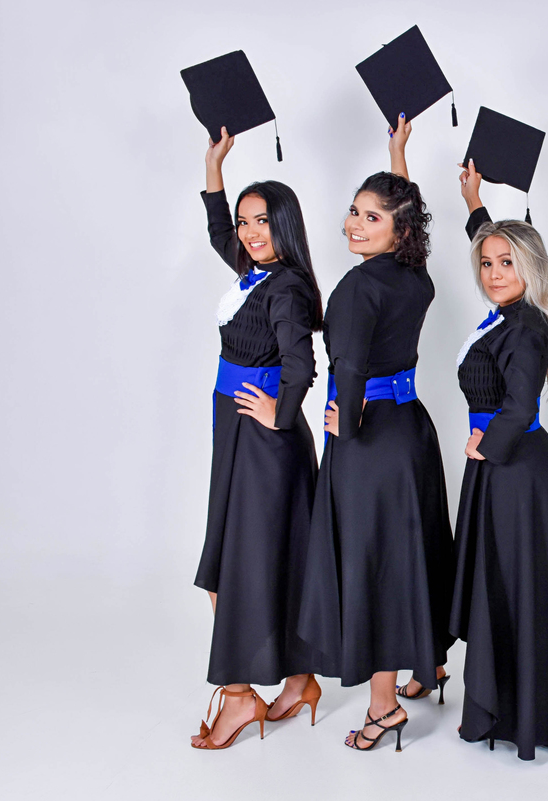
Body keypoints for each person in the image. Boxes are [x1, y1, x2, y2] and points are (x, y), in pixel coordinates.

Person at [297, 116, 454, 752]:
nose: (354, 225)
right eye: (354, 212)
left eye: (370, 217)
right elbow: (407, 218)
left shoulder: (358, 288)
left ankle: (384, 707)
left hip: (368, 443)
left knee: (375, 564)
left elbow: (351, 370)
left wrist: (348, 419)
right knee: (413, 548)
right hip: (412, 432)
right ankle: (429, 663)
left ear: (399, 229)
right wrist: (397, 157)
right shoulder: (416, 275)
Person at [445, 160, 548, 760]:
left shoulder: (526, 324)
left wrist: (485, 443)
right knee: (503, 588)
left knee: (513, 590)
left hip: (517, 473)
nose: (494, 273)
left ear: (528, 269)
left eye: (507, 263)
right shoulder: (508, 314)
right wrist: (473, 202)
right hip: (505, 468)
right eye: (486, 263)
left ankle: (518, 713)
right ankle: (509, 705)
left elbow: (521, 402)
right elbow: (491, 242)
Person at [191, 127, 324, 750]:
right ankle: (300, 682)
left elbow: (301, 364)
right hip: (237, 435)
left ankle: (241, 696)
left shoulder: (287, 286)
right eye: (245, 223)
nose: (248, 233)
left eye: (262, 222)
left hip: (265, 445)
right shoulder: (254, 273)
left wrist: (280, 412)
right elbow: (220, 233)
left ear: (284, 226)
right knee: (256, 561)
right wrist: (214, 167)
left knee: (236, 568)